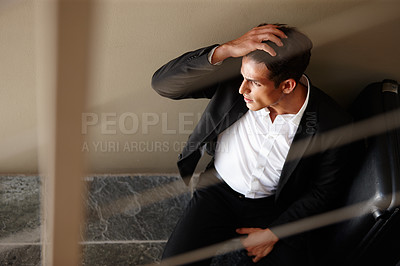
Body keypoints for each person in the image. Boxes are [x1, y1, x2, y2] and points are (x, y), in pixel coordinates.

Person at [151, 23, 353, 265]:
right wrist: (225, 50)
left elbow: (324, 190)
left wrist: (275, 232)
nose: (242, 89)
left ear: (287, 85)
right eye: (243, 77)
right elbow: (164, 85)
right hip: (217, 192)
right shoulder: (235, 84)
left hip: (275, 208)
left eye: (254, 83)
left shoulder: (333, 125)